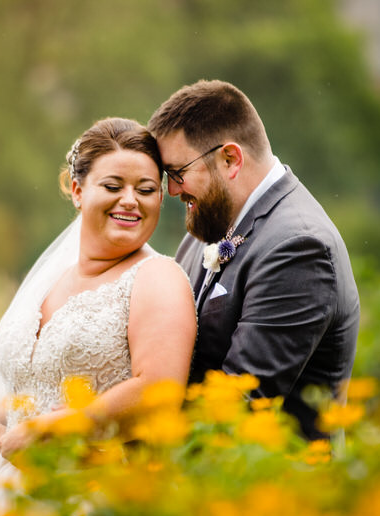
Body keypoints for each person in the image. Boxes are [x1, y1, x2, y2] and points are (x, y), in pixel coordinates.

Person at [0, 117, 197, 516]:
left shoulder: (158, 277)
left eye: (146, 189)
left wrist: (59, 428)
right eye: (113, 186)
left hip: (90, 502)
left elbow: (158, 391)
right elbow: (39, 377)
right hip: (2, 501)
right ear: (78, 191)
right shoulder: (49, 279)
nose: (130, 201)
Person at [148, 80, 360, 440]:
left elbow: (240, 404)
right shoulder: (207, 225)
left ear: (229, 159)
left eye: (178, 173)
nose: (172, 190)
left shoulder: (299, 247)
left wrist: (132, 436)